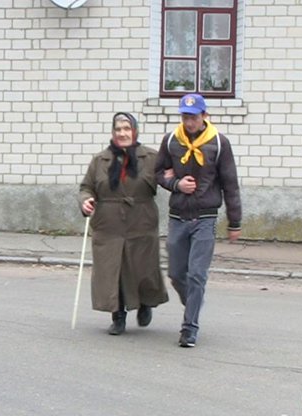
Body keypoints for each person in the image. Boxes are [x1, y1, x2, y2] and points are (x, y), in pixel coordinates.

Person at [155, 93, 242, 348]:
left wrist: (234, 222)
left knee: (196, 275)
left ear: (204, 116)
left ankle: (189, 327)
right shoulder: (171, 140)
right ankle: (194, 300)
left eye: (193, 117)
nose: (189, 122)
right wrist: (176, 184)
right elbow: (158, 173)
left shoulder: (219, 143)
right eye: (185, 116)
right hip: (178, 216)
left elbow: (230, 184)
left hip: (205, 217)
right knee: (176, 273)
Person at [79, 112, 169, 335]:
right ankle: (118, 316)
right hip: (109, 224)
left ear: (134, 132)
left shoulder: (151, 157)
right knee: (113, 271)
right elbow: (86, 187)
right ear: (113, 133)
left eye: (127, 129)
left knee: (143, 268)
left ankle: (145, 303)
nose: (122, 133)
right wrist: (86, 201)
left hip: (141, 220)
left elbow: (169, 178)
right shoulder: (99, 160)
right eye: (118, 129)